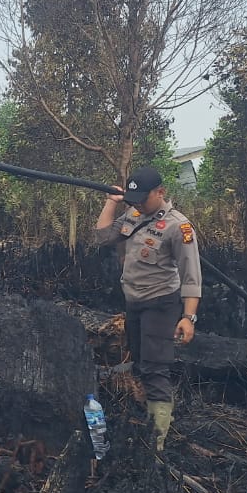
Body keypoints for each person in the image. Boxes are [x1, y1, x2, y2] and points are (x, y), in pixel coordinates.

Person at [93, 164, 202, 452]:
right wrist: (111, 202)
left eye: (143, 197)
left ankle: (157, 446)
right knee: (142, 365)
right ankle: (154, 419)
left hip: (161, 303)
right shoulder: (132, 214)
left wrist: (188, 318)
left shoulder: (179, 226)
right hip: (134, 303)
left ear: (161, 192)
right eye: (134, 199)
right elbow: (102, 236)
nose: (139, 203)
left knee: (155, 370)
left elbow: (191, 276)